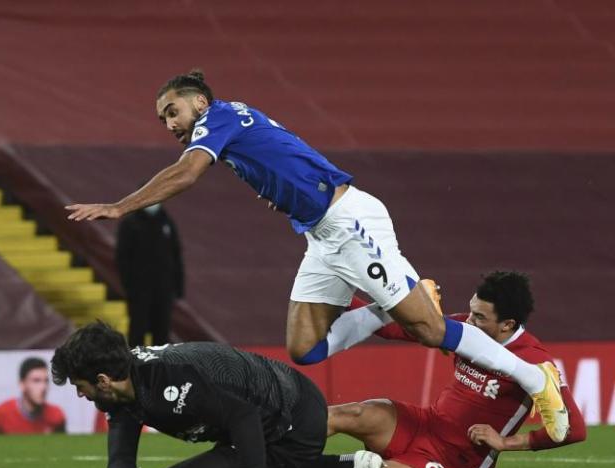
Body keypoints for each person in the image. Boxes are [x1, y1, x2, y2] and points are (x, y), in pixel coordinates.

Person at [65, 69, 568, 443]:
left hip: (350, 224)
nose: (168, 124)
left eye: (172, 112)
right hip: (322, 237)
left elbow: (188, 171)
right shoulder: (235, 123)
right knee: (305, 348)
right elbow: (284, 154)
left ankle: (532, 377)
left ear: (198, 101)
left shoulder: (216, 119)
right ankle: (381, 307)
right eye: (163, 119)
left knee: (429, 330)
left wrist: (120, 206)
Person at [50, 321, 385, 468]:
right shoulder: (126, 390)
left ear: (103, 380)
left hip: (294, 418)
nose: (82, 396)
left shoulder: (169, 382)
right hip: (272, 417)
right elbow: (119, 462)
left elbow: (244, 416)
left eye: (81, 387)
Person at [308, 271, 586, 468]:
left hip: (449, 462)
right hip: (422, 425)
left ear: (507, 325)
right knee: (344, 414)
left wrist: (506, 442)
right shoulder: (468, 328)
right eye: (471, 310)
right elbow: (392, 328)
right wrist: (335, 290)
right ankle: (276, 466)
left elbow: (574, 429)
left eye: (480, 317)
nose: (468, 320)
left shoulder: (533, 361)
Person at [116, 202, 184, 346]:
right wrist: (128, 285)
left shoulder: (166, 221)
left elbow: (176, 254)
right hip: (139, 288)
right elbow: (122, 257)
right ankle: (136, 366)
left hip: (164, 288)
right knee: (137, 329)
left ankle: (160, 366)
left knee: (162, 330)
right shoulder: (130, 224)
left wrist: (178, 286)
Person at [0, 357, 66, 435]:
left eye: (46, 381)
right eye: (36, 381)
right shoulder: (3, 413)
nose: (43, 387)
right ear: (22, 384)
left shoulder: (56, 416)